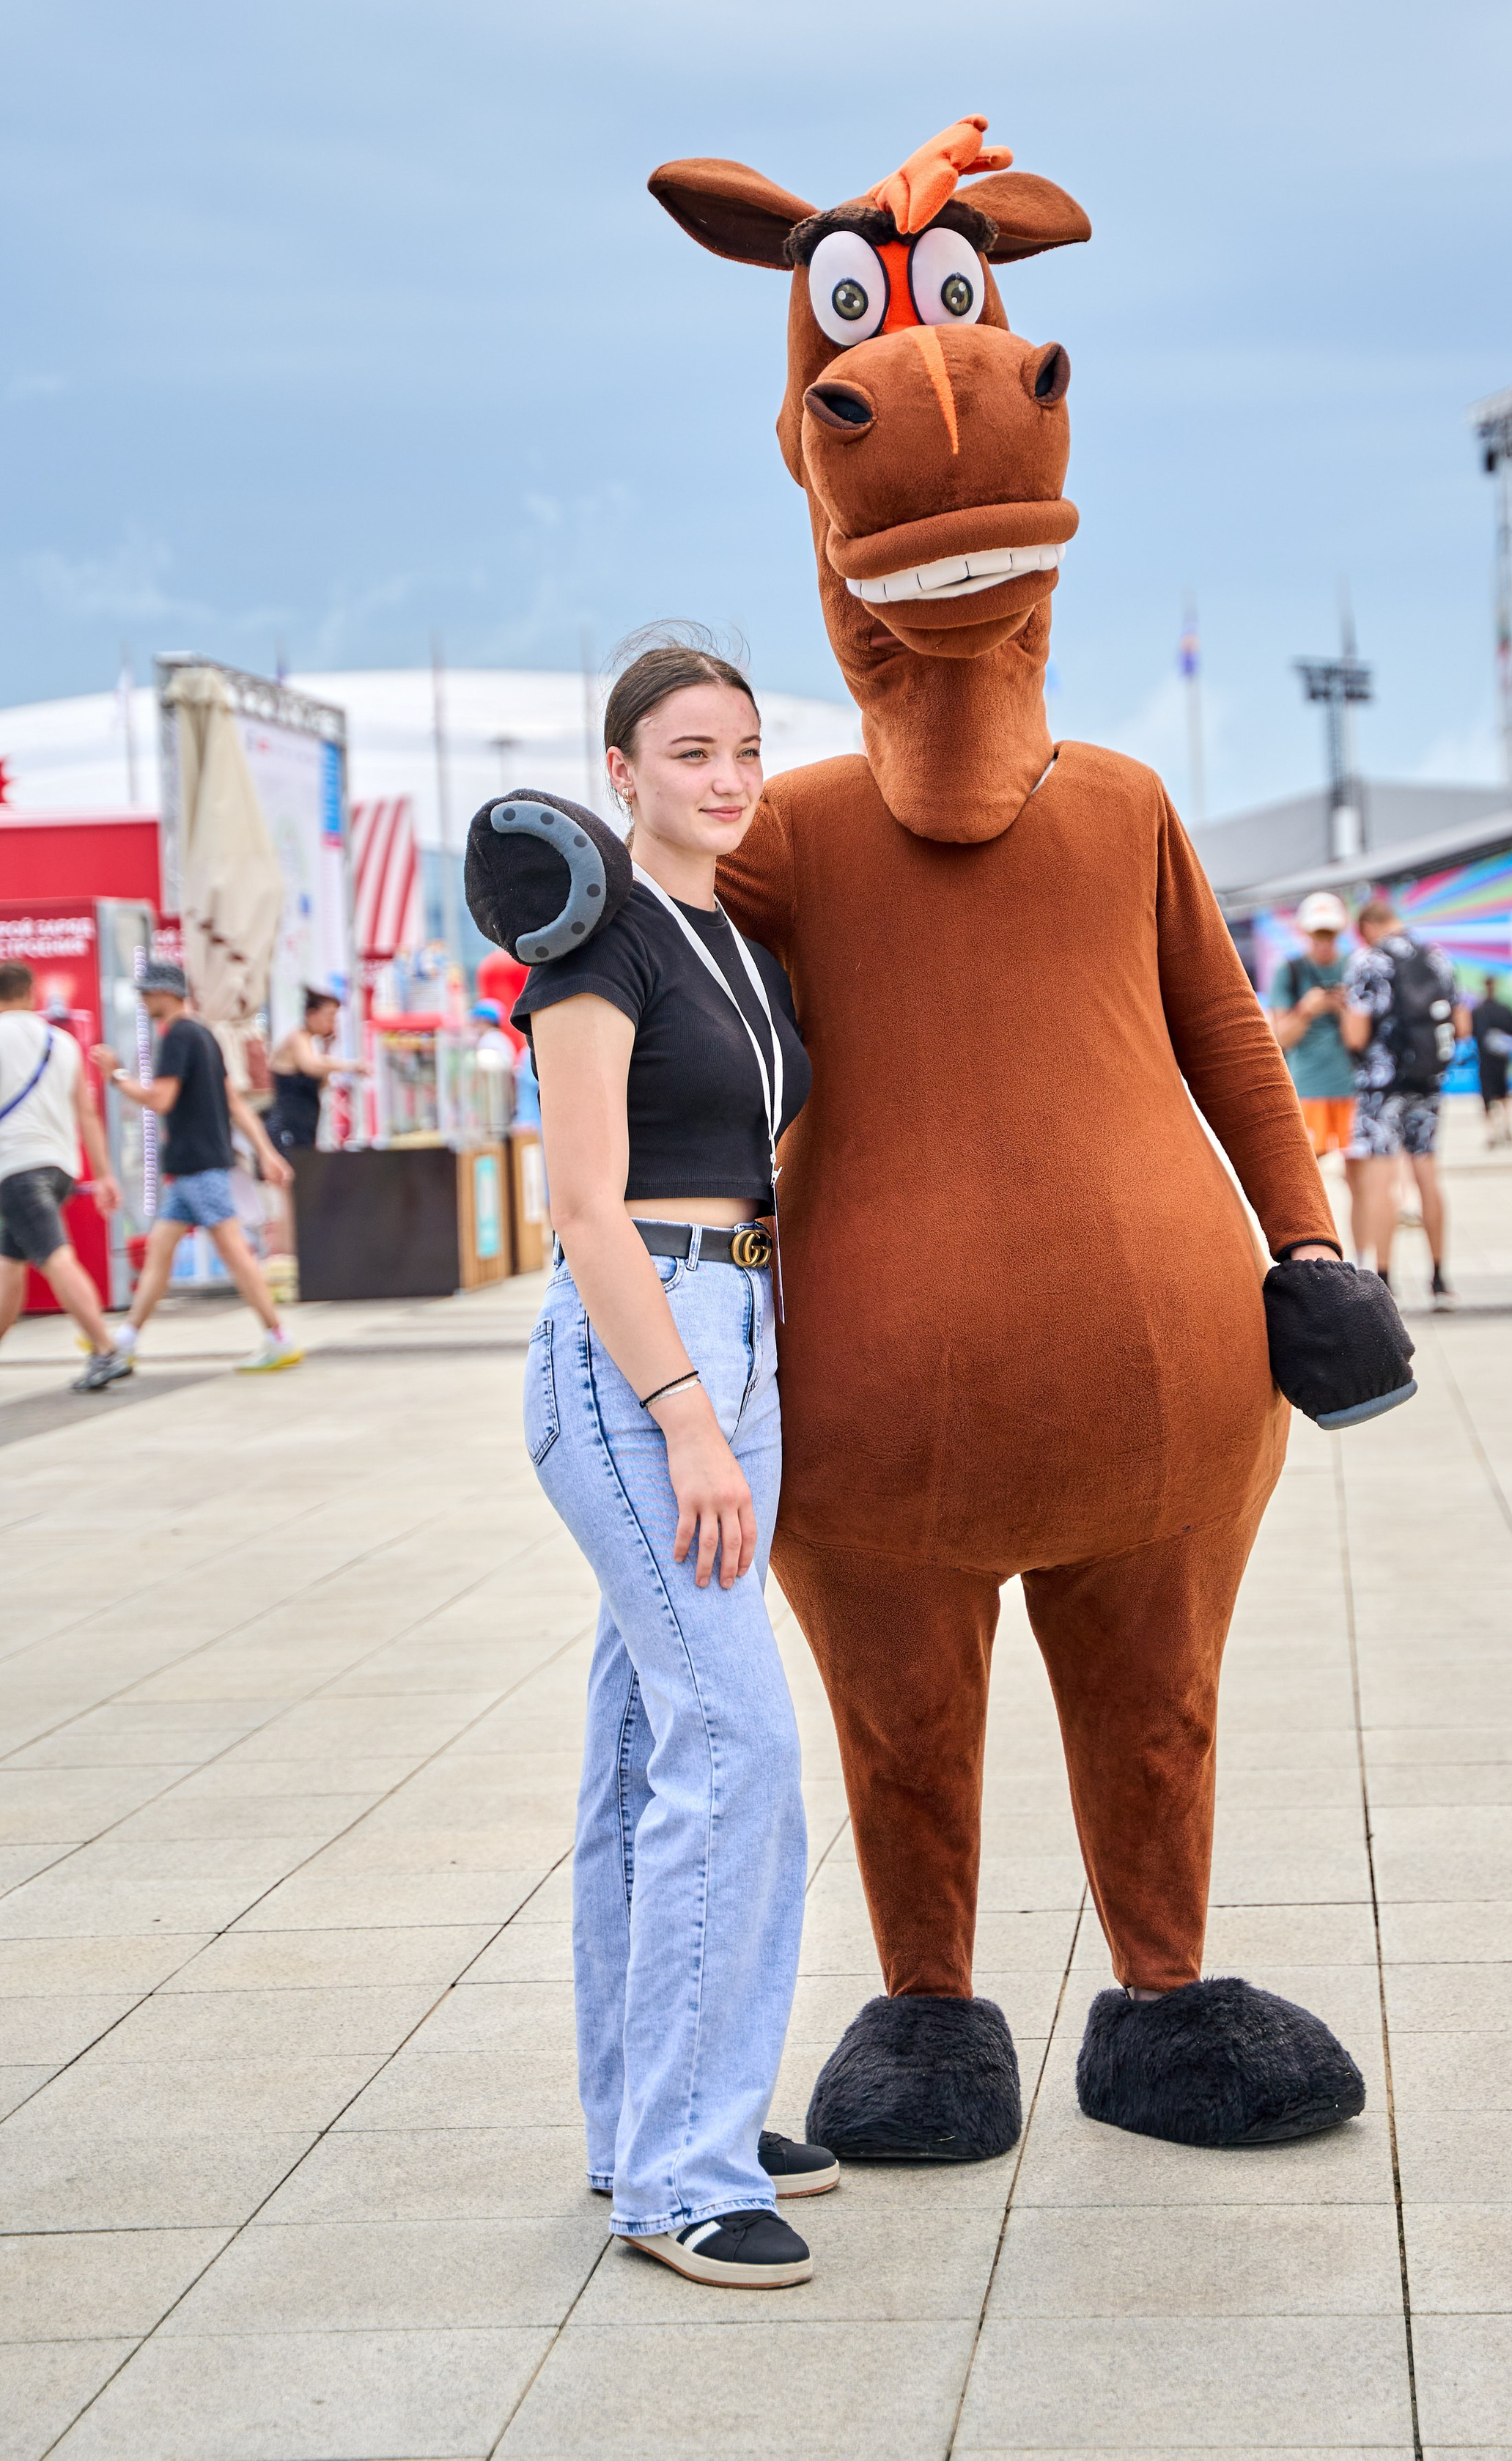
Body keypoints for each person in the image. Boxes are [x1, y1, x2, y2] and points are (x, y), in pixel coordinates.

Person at [506, 643, 827, 2292]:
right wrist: (689, 1412)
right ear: (619, 770)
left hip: (737, 1327)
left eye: (745, 749)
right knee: (734, 1735)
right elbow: (584, 1210)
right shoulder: (595, 941)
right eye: (690, 750)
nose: (725, 776)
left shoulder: (735, 943)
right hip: (644, 1352)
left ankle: (662, 2113)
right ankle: (681, 2180)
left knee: (645, 1735)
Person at [97, 965, 303, 1374]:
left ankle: (278, 1337)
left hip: (198, 1167)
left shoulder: (178, 1037)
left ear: (166, 993)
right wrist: (267, 1152)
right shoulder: (205, 1035)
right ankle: (126, 1338)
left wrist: (117, 1076)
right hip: (197, 1167)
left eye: (147, 993)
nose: (142, 1001)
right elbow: (235, 1102)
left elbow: (161, 1099)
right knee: (161, 1253)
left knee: (233, 1253)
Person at [0, 961, 128, 1392]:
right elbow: (87, 1113)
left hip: (15, 1166)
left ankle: (106, 1349)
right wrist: (106, 1175)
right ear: (31, 993)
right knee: (10, 1264)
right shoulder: (63, 1042)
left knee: (55, 1256)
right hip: (58, 1167)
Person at [1340, 896, 1467, 1306]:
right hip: (1428, 1082)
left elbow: (1356, 1035)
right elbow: (1460, 1026)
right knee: (1427, 1172)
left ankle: (1383, 1281)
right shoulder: (1438, 959)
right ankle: (1439, 1279)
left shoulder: (1367, 961)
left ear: (1366, 928)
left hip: (1382, 1086)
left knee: (1380, 1180)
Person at [1268, 891, 1355, 1163]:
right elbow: (1281, 1038)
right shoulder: (1290, 971)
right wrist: (1307, 1009)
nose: (1324, 941)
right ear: (1306, 932)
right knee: (1304, 1170)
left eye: (1329, 934)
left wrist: (1344, 1009)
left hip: (1352, 1087)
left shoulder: (1353, 967)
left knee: (1362, 1179)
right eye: (1318, 934)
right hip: (1307, 1088)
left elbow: (1361, 1039)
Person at [267, 988, 361, 1156]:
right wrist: (351, 1066)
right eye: (330, 1017)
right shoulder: (297, 1038)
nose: (333, 1023)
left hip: (305, 1119)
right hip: (286, 1121)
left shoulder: (311, 1044)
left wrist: (327, 1048)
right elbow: (311, 1066)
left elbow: (322, 1084)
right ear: (311, 1015)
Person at [1470, 978, 1512, 1148]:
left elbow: (1470, 1033)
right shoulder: (1505, 1009)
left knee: (1487, 1096)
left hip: (1485, 1058)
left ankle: (1491, 1132)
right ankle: (1506, 1125)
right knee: (1504, 1094)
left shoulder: (1478, 1011)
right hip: (1503, 1058)